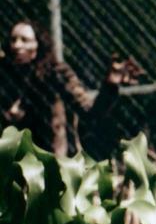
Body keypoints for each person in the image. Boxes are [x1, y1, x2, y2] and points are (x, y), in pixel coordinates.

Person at [0, 19, 142, 157]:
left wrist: (110, 85)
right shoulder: (6, 75)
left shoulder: (55, 73)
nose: (17, 45)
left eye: (25, 40)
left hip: (52, 159)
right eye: (13, 40)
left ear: (39, 44)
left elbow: (91, 113)